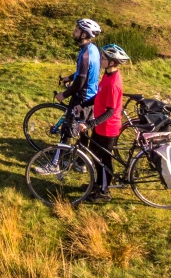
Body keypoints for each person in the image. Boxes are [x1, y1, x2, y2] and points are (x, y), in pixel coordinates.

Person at [74, 44, 130, 203]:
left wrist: (90, 124)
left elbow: (110, 111)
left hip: (108, 128)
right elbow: (98, 97)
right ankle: (98, 184)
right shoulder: (107, 75)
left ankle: (104, 192)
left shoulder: (113, 84)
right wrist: (83, 105)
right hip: (100, 125)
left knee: (104, 161)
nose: (101, 60)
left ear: (112, 62)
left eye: (104, 58)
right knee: (95, 155)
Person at [56, 18, 102, 141]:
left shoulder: (85, 55)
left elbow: (80, 81)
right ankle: (80, 159)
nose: (73, 32)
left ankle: (62, 157)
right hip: (91, 95)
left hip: (82, 97)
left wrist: (64, 94)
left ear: (84, 34)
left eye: (76, 30)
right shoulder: (93, 49)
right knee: (83, 132)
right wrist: (70, 77)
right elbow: (83, 73)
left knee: (68, 129)